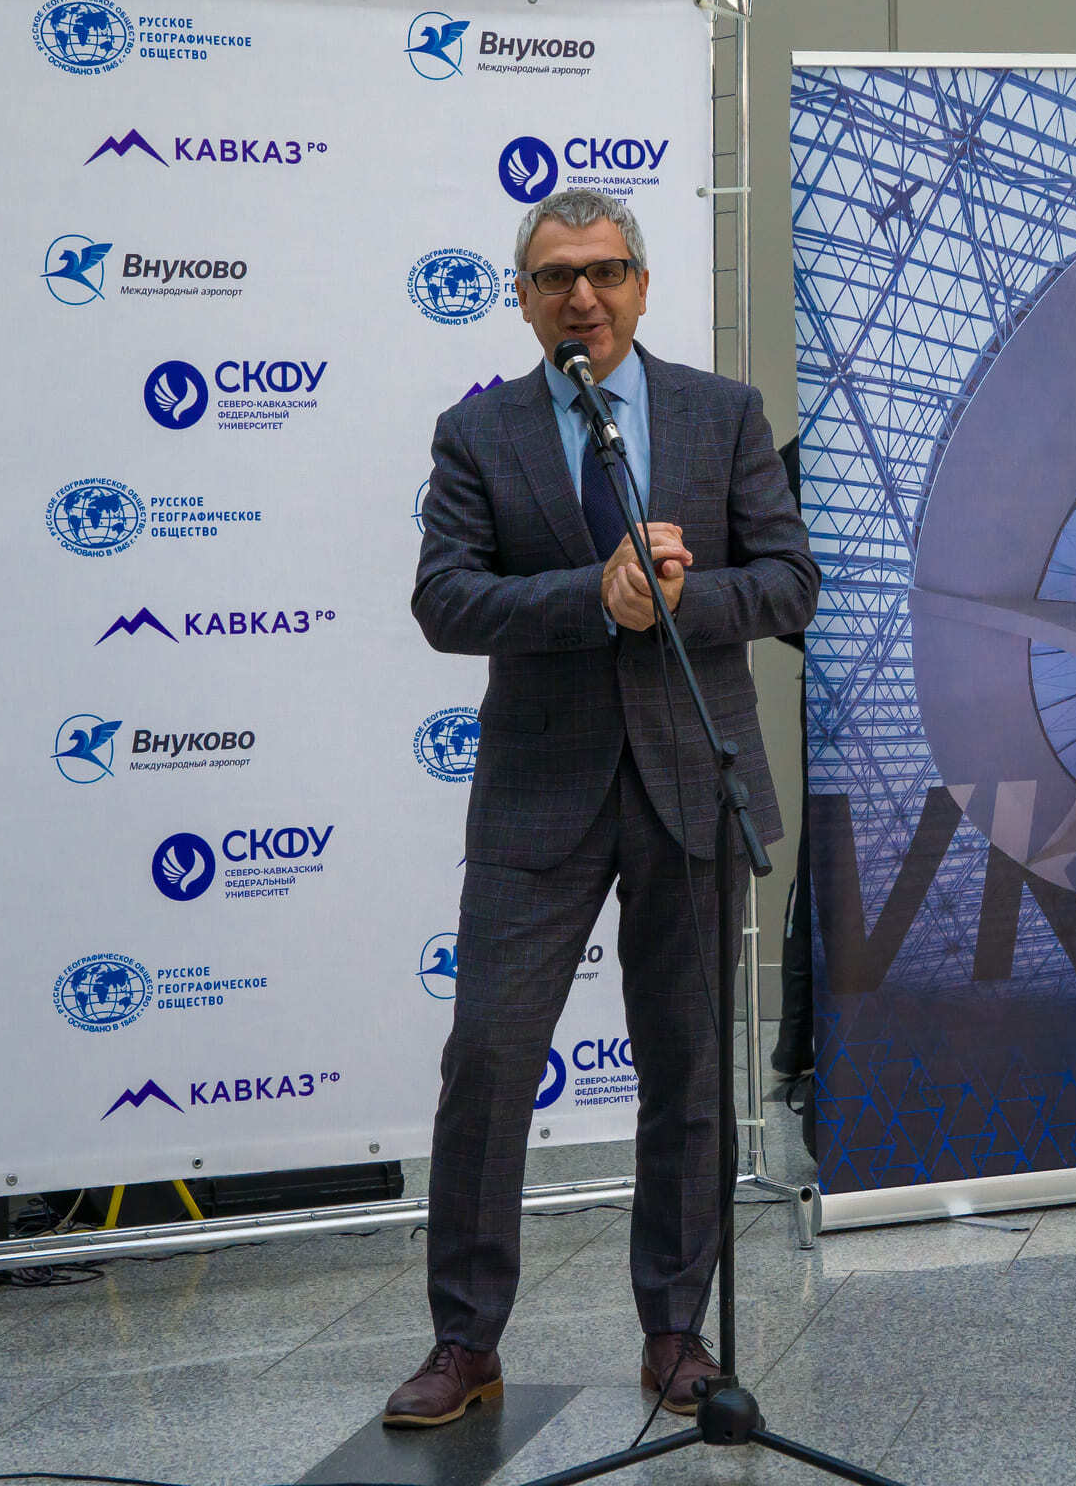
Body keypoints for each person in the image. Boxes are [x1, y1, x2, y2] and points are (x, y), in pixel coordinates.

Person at [386, 189, 817, 1428]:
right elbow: (446, 600)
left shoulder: (720, 414)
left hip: (691, 779)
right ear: (522, 300)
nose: (583, 295)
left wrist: (679, 600)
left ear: (642, 284)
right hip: (537, 794)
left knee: (687, 1068)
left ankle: (675, 1331)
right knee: (488, 1057)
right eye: (556, 276)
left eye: (607, 270)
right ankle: (464, 1340)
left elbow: (790, 581)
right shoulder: (476, 434)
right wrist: (596, 594)